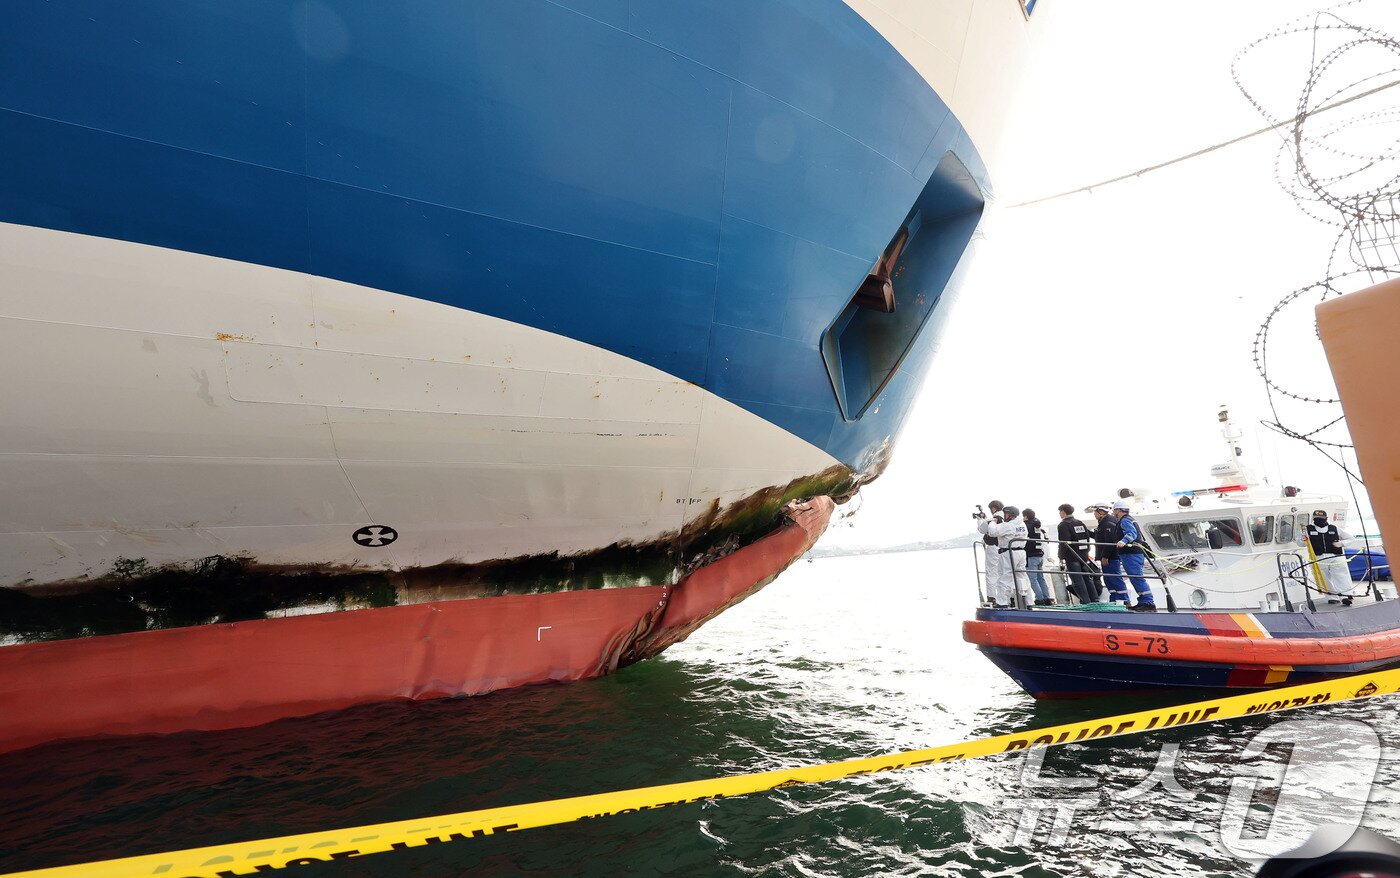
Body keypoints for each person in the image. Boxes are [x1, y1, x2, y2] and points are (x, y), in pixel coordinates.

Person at [978, 503, 1030, 607]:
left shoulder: (1008, 525)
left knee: (1004, 578)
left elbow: (992, 532)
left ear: (1011, 515)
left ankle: (1002, 603)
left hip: (1008, 552)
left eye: (1006, 514)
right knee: (1022, 578)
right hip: (1021, 552)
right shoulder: (1021, 524)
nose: (1004, 516)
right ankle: (1028, 602)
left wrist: (993, 521)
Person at [1112, 500, 1157, 611]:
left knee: (1137, 578)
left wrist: (1123, 541)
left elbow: (1132, 533)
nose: (1113, 513)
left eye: (1114, 510)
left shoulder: (1125, 520)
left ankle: (1148, 602)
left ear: (1118, 510)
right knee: (1135, 578)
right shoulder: (1130, 519)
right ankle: (1144, 601)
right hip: (1134, 553)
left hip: (1131, 554)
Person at [1301, 509, 1355, 600]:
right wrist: (1302, 539)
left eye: (1321, 518)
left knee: (1341, 575)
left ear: (1326, 518)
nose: (1319, 520)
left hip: (1336, 556)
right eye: (1317, 518)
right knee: (1324, 578)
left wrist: (1341, 544)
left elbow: (1351, 538)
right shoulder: (1308, 529)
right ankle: (1332, 597)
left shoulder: (1334, 528)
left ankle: (1346, 595)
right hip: (1319, 556)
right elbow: (1301, 543)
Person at [1057, 503, 1098, 604]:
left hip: (1072, 556)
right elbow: (1088, 536)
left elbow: (1064, 543)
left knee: (1077, 580)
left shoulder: (1063, 525)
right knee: (1087, 578)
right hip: (1084, 555)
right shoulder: (1079, 523)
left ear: (1063, 512)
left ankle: (1085, 602)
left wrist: (1061, 556)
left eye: (1060, 512)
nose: (1059, 514)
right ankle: (1095, 599)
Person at [1089, 501, 1128, 604]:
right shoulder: (1104, 522)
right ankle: (1115, 599)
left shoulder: (1108, 523)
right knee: (1109, 580)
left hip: (1111, 558)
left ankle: (1124, 601)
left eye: (1095, 512)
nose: (1094, 514)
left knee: (1115, 579)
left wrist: (1105, 557)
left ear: (1101, 511)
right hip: (1108, 557)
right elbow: (1100, 537)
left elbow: (1110, 541)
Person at [1022, 508, 1051, 605]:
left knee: (1033, 579)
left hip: (1031, 555)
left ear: (1026, 516)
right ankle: (1047, 598)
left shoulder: (1027, 526)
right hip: (1039, 554)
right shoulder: (1037, 525)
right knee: (1040, 578)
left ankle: (1039, 598)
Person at [978, 500, 1005, 605]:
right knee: (1006, 573)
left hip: (994, 548)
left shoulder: (993, 519)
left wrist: (980, 519)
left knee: (991, 573)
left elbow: (982, 529)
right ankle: (1010, 598)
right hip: (1006, 549)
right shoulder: (1008, 519)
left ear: (993, 508)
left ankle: (992, 598)